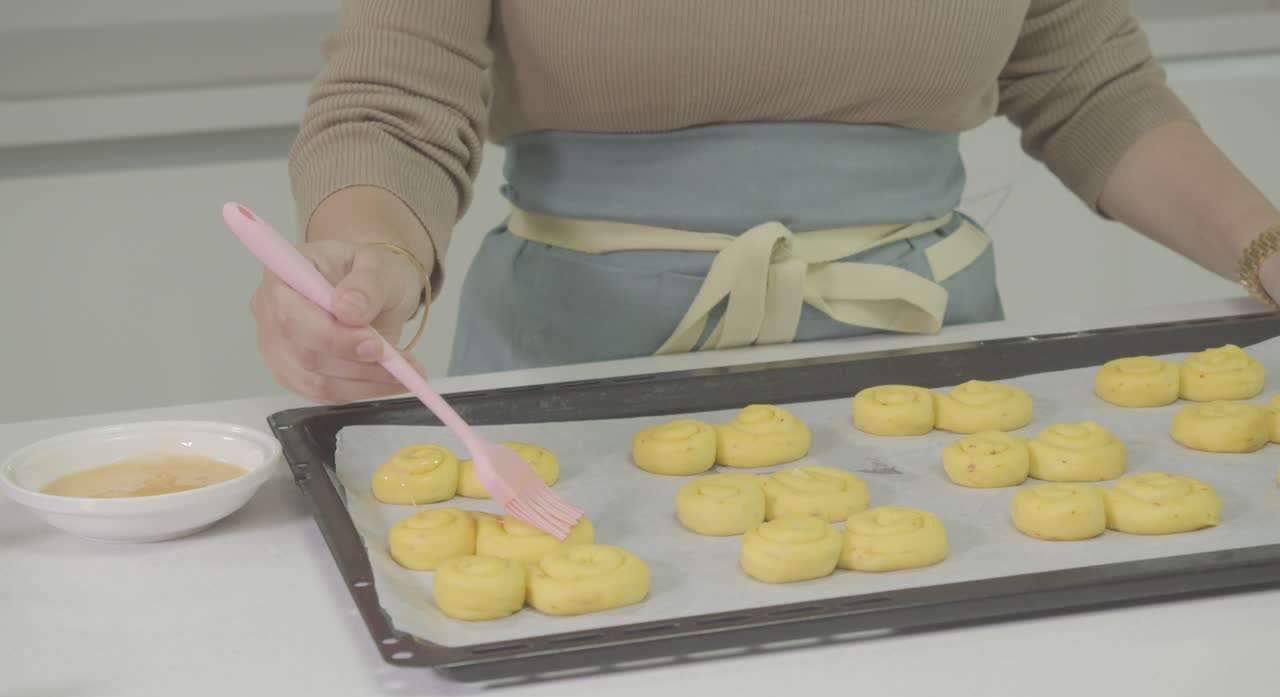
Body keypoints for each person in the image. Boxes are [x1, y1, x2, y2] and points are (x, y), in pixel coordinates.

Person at [253, 1, 1280, 406]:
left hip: (937, 381)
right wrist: (367, 252)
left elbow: (1088, 83)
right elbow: (391, 106)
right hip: (574, 385)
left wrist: (1260, 242)